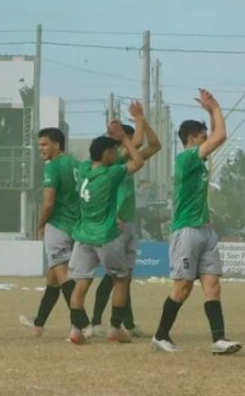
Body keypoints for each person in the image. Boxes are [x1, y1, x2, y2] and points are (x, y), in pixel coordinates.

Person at [151, 89, 242, 355]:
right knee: (183, 287)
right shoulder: (186, 158)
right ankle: (160, 335)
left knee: (213, 285)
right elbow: (220, 136)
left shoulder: (197, 161)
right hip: (187, 231)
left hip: (205, 230)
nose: (207, 140)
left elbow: (215, 136)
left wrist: (211, 112)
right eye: (202, 137)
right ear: (191, 139)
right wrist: (215, 108)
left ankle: (219, 339)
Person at [67, 119, 145, 344]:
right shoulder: (111, 175)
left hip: (82, 237)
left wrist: (112, 138)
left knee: (81, 283)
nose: (116, 154)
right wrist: (124, 138)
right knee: (121, 280)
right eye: (113, 151)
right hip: (106, 237)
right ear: (107, 154)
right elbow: (137, 160)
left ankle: (75, 330)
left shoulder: (83, 169)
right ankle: (115, 328)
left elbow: (103, 151)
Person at [89, 102, 162, 338]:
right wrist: (137, 122)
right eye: (128, 139)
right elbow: (139, 142)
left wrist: (143, 120)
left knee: (125, 277)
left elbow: (155, 145)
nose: (132, 142)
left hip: (129, 221)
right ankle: (98, 321)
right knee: (114, 277)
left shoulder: (126, 160)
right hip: (116, 222)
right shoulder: (117, 158)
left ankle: (125, 323)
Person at [19, 127, 79, 335]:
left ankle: (81, 323)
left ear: (56, 145)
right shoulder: (76, 164)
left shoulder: (52, 166)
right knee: (52, 277)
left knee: (62, 274)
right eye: (39, 145)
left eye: (44, 145)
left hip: (58, 224)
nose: (41, 149)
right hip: (75, 225)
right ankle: (38, 323)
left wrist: (41, 224)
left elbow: (48, 203)